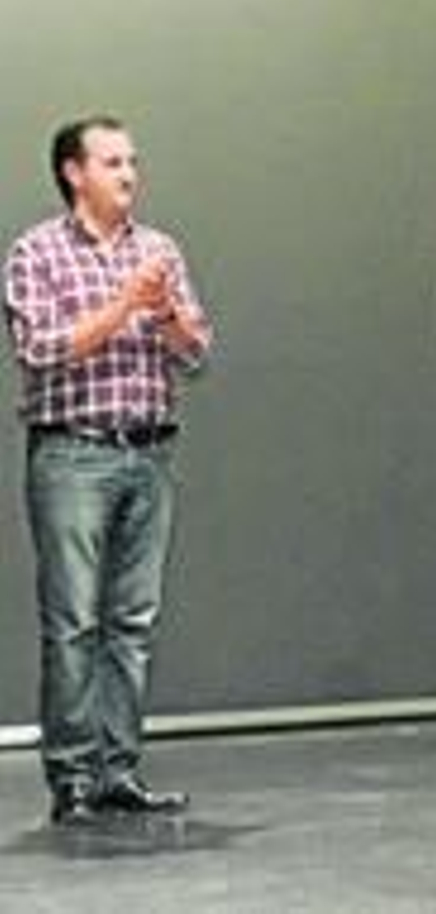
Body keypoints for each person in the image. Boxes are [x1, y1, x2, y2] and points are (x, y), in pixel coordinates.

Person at [3, 115, 213, 827]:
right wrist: (124, 302)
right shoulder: (37, 251)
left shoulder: (160, 249)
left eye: (133, 161)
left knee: (133, 621)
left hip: (148, 451)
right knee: (73, 623)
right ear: (74, 172)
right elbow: (41, 348)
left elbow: (197, 352)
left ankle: (119, 769)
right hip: (74, 453)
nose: (129, 173)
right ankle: (73, 777)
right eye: (113, 161)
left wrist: (163, 316)